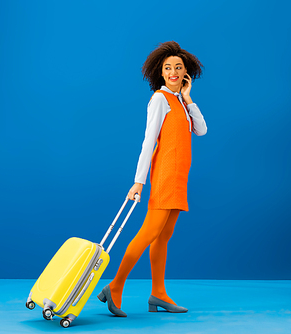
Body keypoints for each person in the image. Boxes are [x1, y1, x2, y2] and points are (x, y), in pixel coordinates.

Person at [97, 41, 207, 317]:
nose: (172, 72)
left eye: (178, 68)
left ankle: (158, 293)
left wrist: (189, 98)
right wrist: (139, 181)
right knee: (149, 232)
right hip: (164, 176)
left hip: (179, 178)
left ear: (186, 73)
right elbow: (148, 141)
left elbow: (202, 130)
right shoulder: (159, 99)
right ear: (160, 72)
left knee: (163, 236)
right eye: (167, 68)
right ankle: (116, 285)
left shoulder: (180, 101)